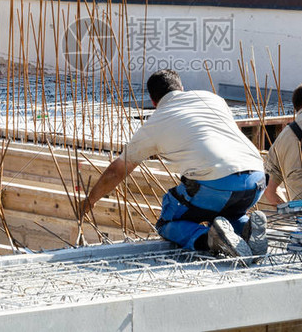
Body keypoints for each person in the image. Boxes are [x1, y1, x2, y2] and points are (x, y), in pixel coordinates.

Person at [81, 69, 268, 258]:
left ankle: (210, 239)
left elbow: (116, 171)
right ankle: (245, 228)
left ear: (154, 102)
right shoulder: (212, 99)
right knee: (223, 215)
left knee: (167, 222)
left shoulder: (155, 123)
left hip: (217, 185)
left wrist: (90, 201)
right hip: (256, 179)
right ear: (181, 88)